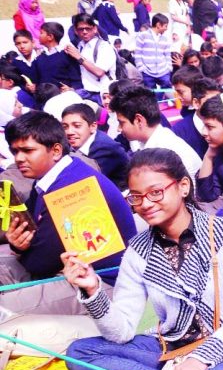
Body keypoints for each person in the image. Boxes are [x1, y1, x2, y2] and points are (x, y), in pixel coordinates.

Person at [63, 148, 223, 370]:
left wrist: (200, 359)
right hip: (171, 346)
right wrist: (92, 290)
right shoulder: (138, 249)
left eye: (156, 192)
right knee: (79, 354)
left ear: (183, 186)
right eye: (136, 197)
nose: (145, 204)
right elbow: (122, 331)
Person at [0, 112, 136, 315]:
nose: (19, 158)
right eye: (15, 151)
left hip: (102, 284)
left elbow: (40, 264)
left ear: (55, 150)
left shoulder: (72, 190)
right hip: (70, 272)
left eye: (27, 150)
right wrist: (18, 245)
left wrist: (19, 248)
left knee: (4, 309)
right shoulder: (57, 174)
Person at [108, 84, 202, 177]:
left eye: (122, 123)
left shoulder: (164, 153)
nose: (119, 129)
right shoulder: (157, 140)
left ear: (139, 120)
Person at [61, 103, 129, 190]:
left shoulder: (105, 148)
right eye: (65, 127)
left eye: (77, 126)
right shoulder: (71, 144)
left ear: (93, 127)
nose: (69, 132)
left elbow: (81, 181)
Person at [66, 13, 117, 104]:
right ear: (75, 31)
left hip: (103, 94)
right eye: (81, 29)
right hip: (86, 93)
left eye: (88, 28)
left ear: (94, 29)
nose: (84, 32)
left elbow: (99, 72)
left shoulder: (104, 47)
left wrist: (79, 58)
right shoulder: (80, 46)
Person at [133, 13, 173, 90]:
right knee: (151, 95)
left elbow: (167, 55)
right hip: (147, 72)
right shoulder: (142, 36)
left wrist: (169, 67)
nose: (166, 28)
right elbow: (137, 53)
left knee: (168, 91)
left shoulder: (165, 39)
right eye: (165, 26)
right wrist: (141, 68)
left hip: (163, 71)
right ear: (158, 25)